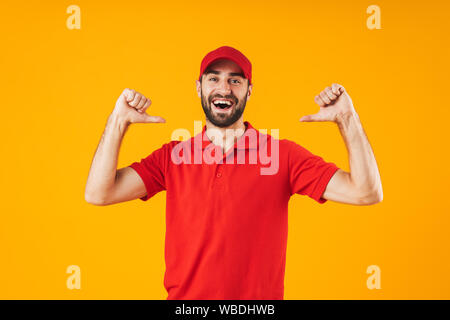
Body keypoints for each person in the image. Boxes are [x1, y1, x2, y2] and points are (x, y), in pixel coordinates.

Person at [84, 46, 383, 300]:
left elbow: (366, 192)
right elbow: (99, 193)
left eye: (235, 81)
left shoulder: (282, 155)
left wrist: (347, 119)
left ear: (249, 90)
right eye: (213, 78)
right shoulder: (173, 157)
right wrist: (118, 122)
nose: (224, 89)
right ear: (199, 88)